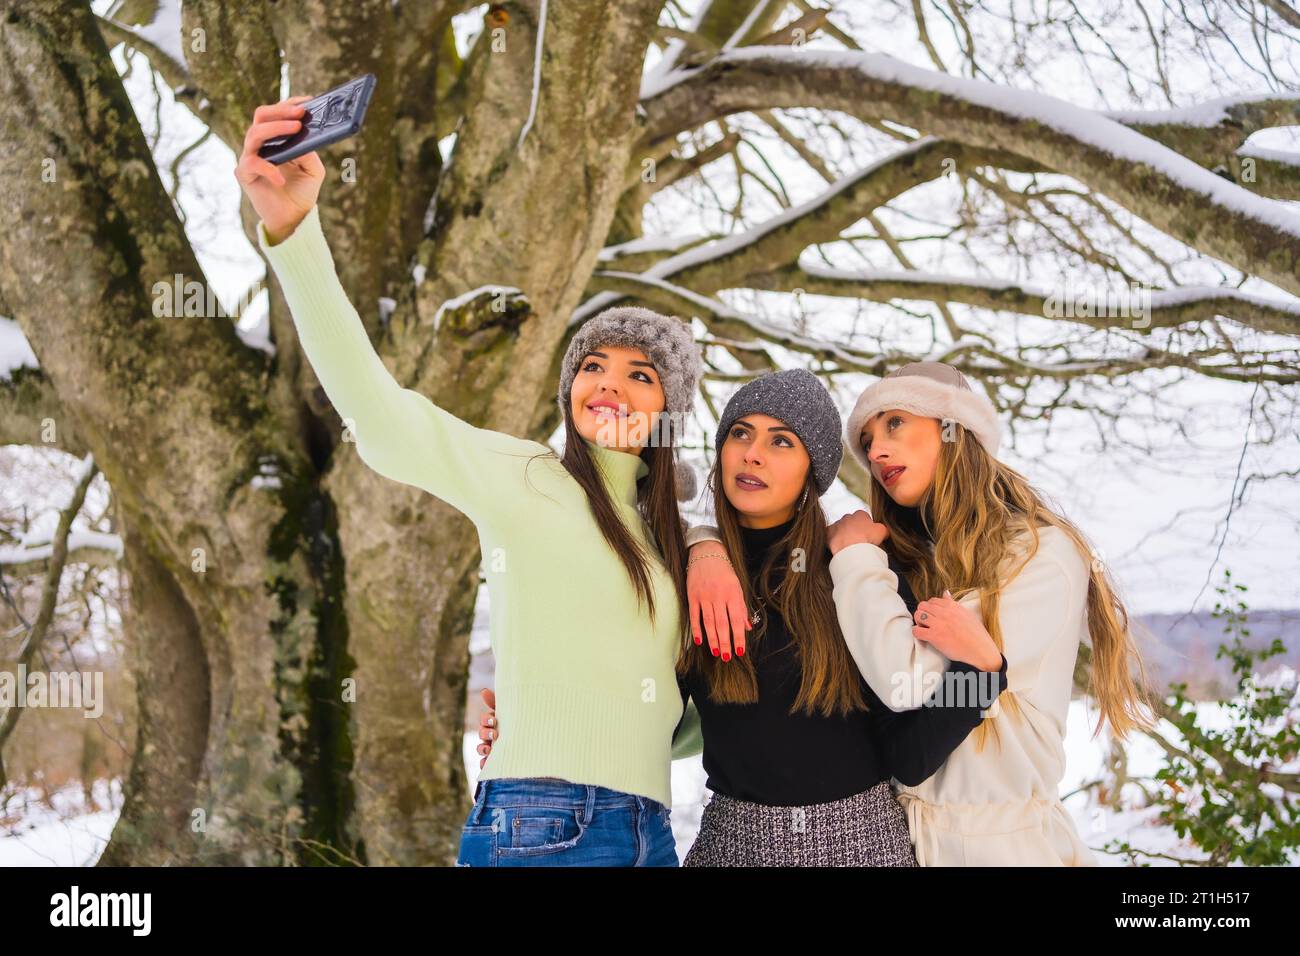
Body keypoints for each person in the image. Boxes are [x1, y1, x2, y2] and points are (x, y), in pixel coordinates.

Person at [237, 96, 706, 867]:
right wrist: (295, 234)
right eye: (591, 366)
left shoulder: (672, 543)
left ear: (671, 408)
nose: (607, 384)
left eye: (640, 373)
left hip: (646, 829)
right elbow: (382, 417)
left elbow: (679, 712)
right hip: (545, 822)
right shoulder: (524, 475)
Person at [480, 369, 1008, 865]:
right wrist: (531, 727)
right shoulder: (679, 576)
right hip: (731, 842)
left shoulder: (857, 570)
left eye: (781, 441)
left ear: (813, 470)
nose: (753, 455)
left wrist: (982, 675)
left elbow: (909, 755)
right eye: (740, 433)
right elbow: (646, 720)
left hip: (862, 840)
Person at [685, 361, 1156, 865]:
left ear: (956, 429)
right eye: (866, 441)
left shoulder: (1037, 555)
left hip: (997, 846)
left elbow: (905, 681)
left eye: (894, 423)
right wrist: (702, 544)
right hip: (908, 836)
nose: (877, 451)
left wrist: (982, 671)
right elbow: (908, 756)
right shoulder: (911, 563)